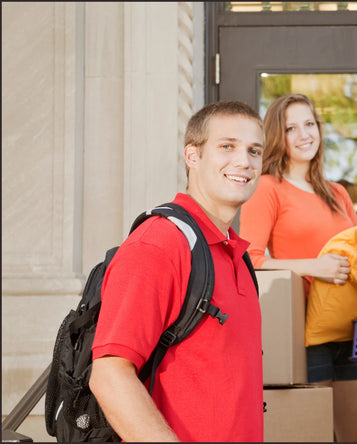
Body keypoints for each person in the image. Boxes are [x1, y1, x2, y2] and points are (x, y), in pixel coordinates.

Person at [89, 101, 266, 442]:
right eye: (227, 146)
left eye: (254, 150)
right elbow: (110, 376)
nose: (244, 161)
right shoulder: (159, 243)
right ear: (192, 156)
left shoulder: (238, 256)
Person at [238, 93, 357, 442]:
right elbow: (251, 260)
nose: (304, 134)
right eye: (291, 128)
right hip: (306, 335)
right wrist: (316, 267)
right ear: (277, 136)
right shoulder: (268, 188)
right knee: (310, 436)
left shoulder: (337, 192)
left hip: (352, 332)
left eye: (310, 124)